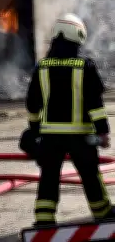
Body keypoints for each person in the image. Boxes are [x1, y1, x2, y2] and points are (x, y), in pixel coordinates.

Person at [26, 13, 115, 227]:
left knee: (48, 176)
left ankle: (44, 219)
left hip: (49, 137)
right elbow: (95, 105)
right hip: (81, 137)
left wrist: (35, 129)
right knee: (90, 175)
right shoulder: (85, 67)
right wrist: (102, 131)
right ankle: (103, 213)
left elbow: (32, 103)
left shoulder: (42, 67)